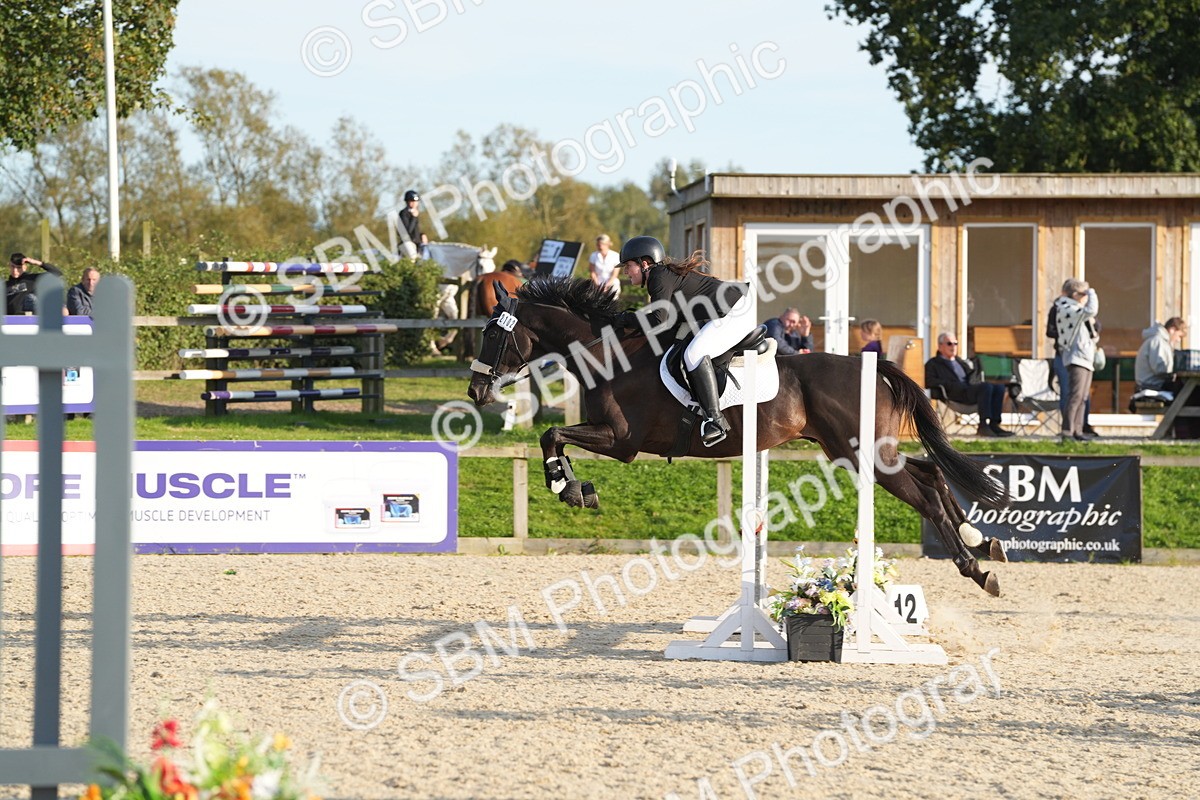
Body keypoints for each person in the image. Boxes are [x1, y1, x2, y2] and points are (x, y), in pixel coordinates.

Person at [613, 235, 753, 447]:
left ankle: (715, 420)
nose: (625, 272)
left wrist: (625, 318)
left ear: (644, 264)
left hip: (736, 310)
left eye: (628, 266)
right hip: (732, 307)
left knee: (693, 354)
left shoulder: (659, 276)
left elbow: (659, 319)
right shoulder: (662, 276)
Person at [925, 332, 1014, 437]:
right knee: (986, 387)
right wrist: (950, 384)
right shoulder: (933, 364)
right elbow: (929, 381)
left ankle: (994, 424)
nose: (953, 346)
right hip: (955, 394)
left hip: (970, 390)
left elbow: (971, 376)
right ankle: (983, 425)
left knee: (999, 387)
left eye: (955, 343)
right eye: (949, 343)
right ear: (940, 346)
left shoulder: (960, 361)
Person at [1046, 282, 1095, 434]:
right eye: (1083, 293)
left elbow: (1095, 327)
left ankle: (1079, 429)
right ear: (1075, 294)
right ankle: (1068, 430)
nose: (1085, 297)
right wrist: (1065, 338)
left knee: (1082, 396)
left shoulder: (1078, 310)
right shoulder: (1063, 308)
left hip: (1085, 357)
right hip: (1069, 355)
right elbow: (1051, 330)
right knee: (1071, 394)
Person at [1135, 317, 1188, 392]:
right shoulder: (1157, 341)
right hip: (1152, 386)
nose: (1179, 340)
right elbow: (1159, 369)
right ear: (1172, 330)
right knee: (1191, 391)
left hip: (1154, 384)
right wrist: (1175, 371)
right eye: (1179, 336)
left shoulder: (1161, 342)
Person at [397, 190, 429, 259]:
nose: (415, 203)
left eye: (416, 202)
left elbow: (416, 230)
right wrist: (414, 218)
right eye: (412, 201)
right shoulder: (403, 213)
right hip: (407, 243)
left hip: (417, 243)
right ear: (408, 202)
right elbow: (408, 231)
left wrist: (422, 235)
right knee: (413, 257)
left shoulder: (415, 213)